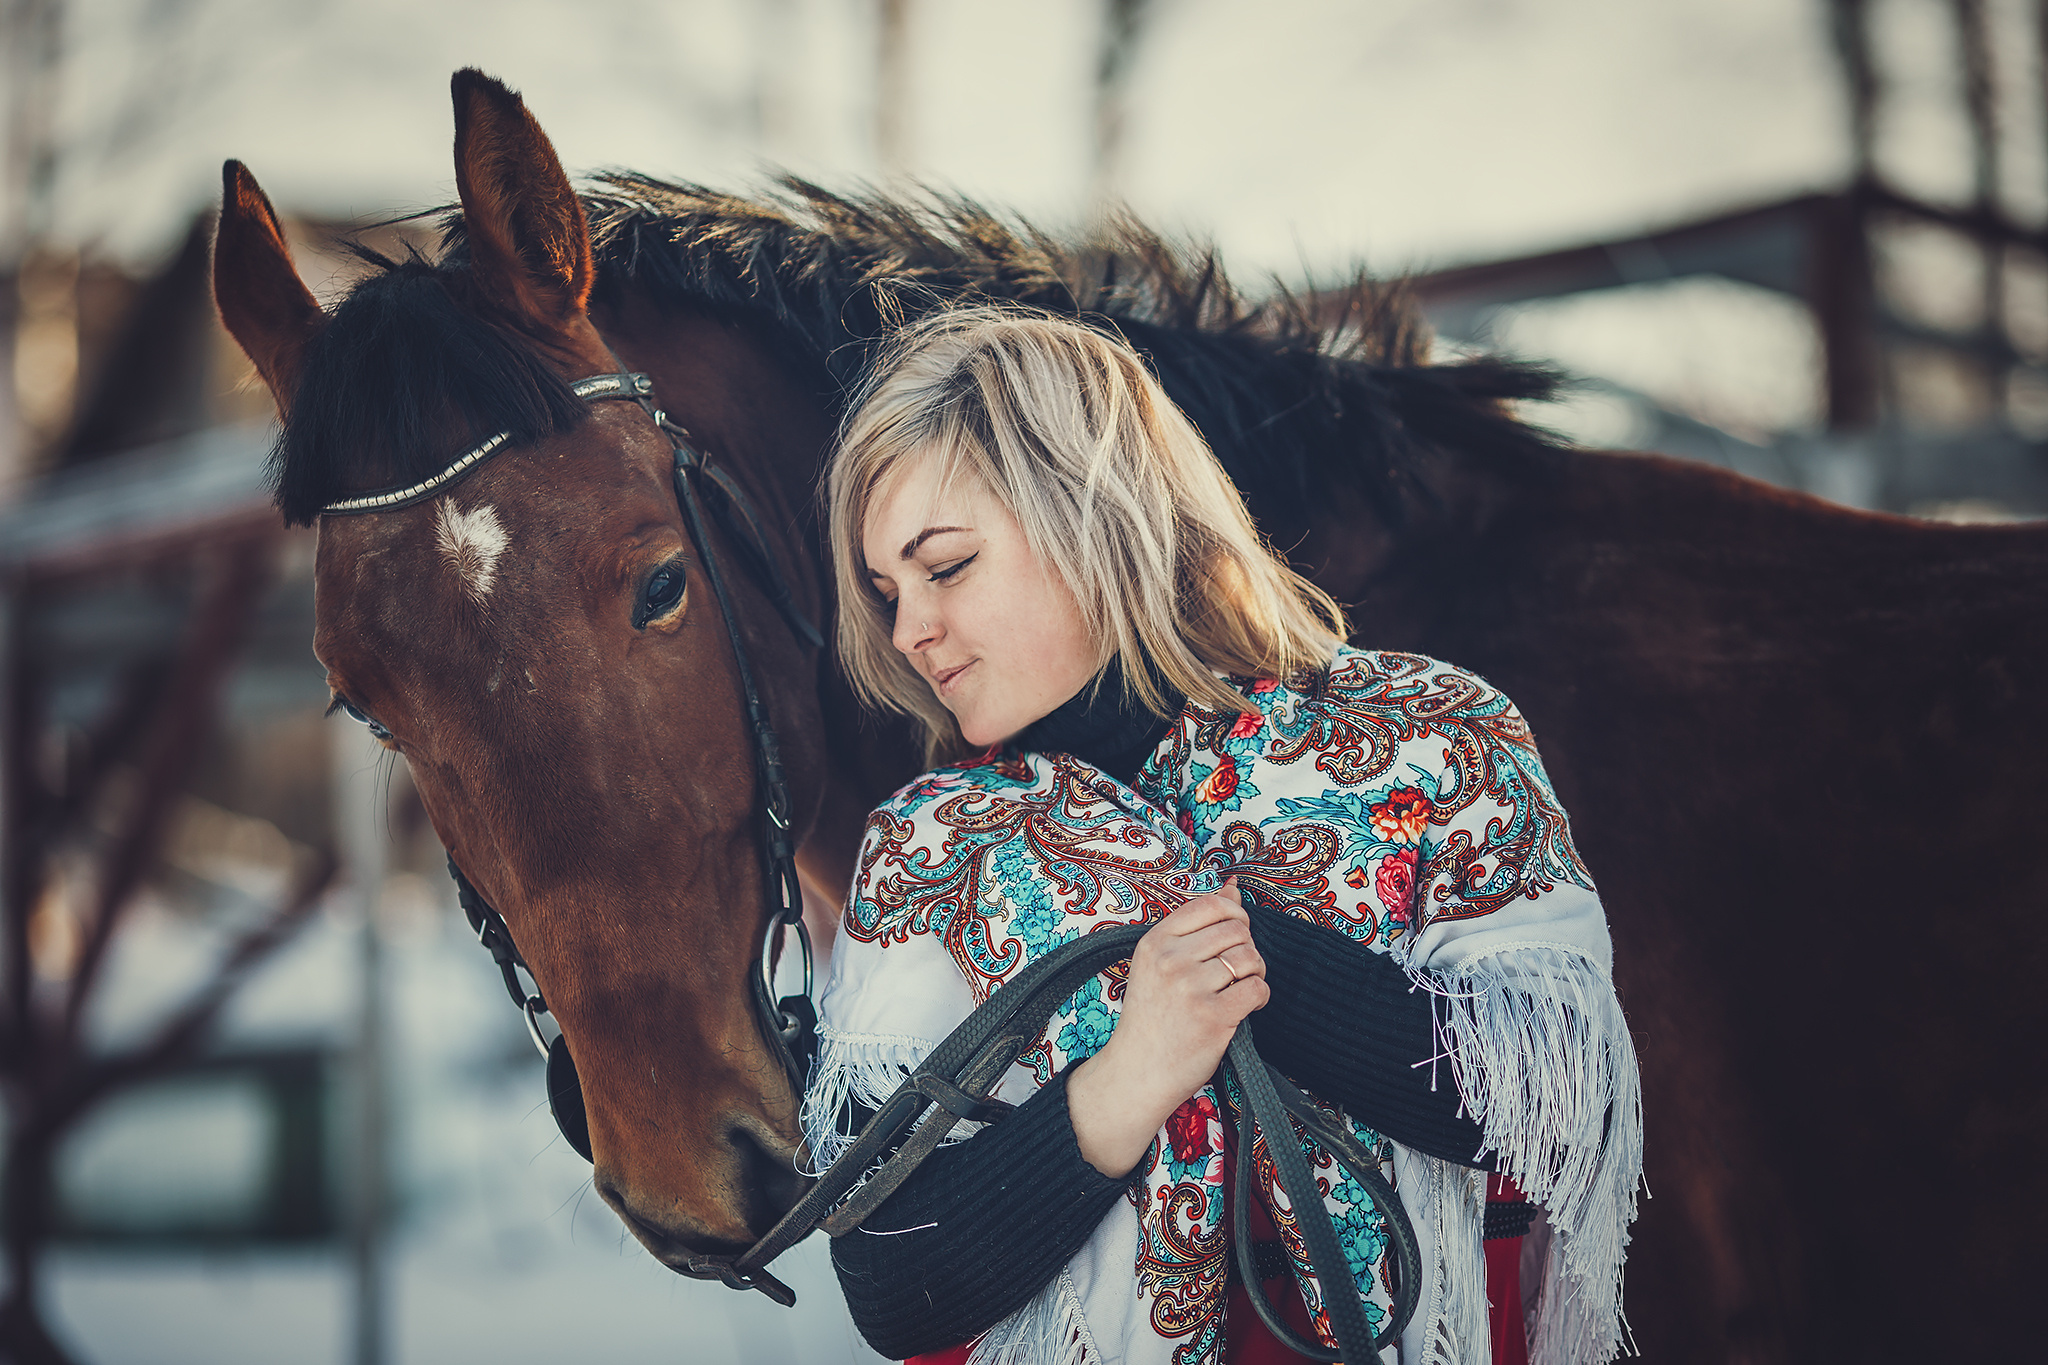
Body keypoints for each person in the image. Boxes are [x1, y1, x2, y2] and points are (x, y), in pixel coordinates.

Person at [805, 306, 1641, 1365]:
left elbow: (1560, 1114)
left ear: (1089, 513)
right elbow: (889, 1285)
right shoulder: (928, 854)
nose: (907, 629)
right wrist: (1125, 1080)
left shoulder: (1428, 738)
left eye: (947, 566)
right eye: (885, 593)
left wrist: (1250, 956)